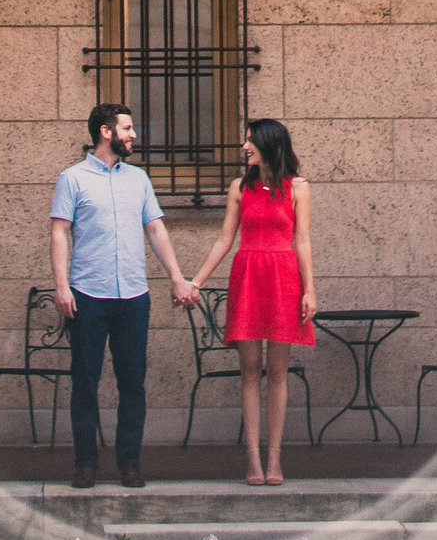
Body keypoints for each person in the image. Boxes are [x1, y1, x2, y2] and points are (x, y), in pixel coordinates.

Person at [50, 103, 198, 490]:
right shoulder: (72, 179)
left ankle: (129, 463)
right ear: (106, 131)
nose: (133, 135)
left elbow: (156, 231)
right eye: (128, 128)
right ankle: (86, 464)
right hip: (87, 295)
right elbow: (59, 233)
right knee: (85, 380)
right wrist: (62, 286)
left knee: (132, 381)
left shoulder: (139, 180)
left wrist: (177, 278)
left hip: (133, 295)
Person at [188, 118, 316, 486]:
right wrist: (196, 281)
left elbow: (302, 240)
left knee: (277, 372)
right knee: (249, 370)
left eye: (250, 141)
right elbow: (224, 240)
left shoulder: (298, 187)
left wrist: (310, 290)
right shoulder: (239, 187)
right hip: (248, 276)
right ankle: (253, 460)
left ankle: (275, 459)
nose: (244, 147)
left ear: (269, 144)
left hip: (283, 278)